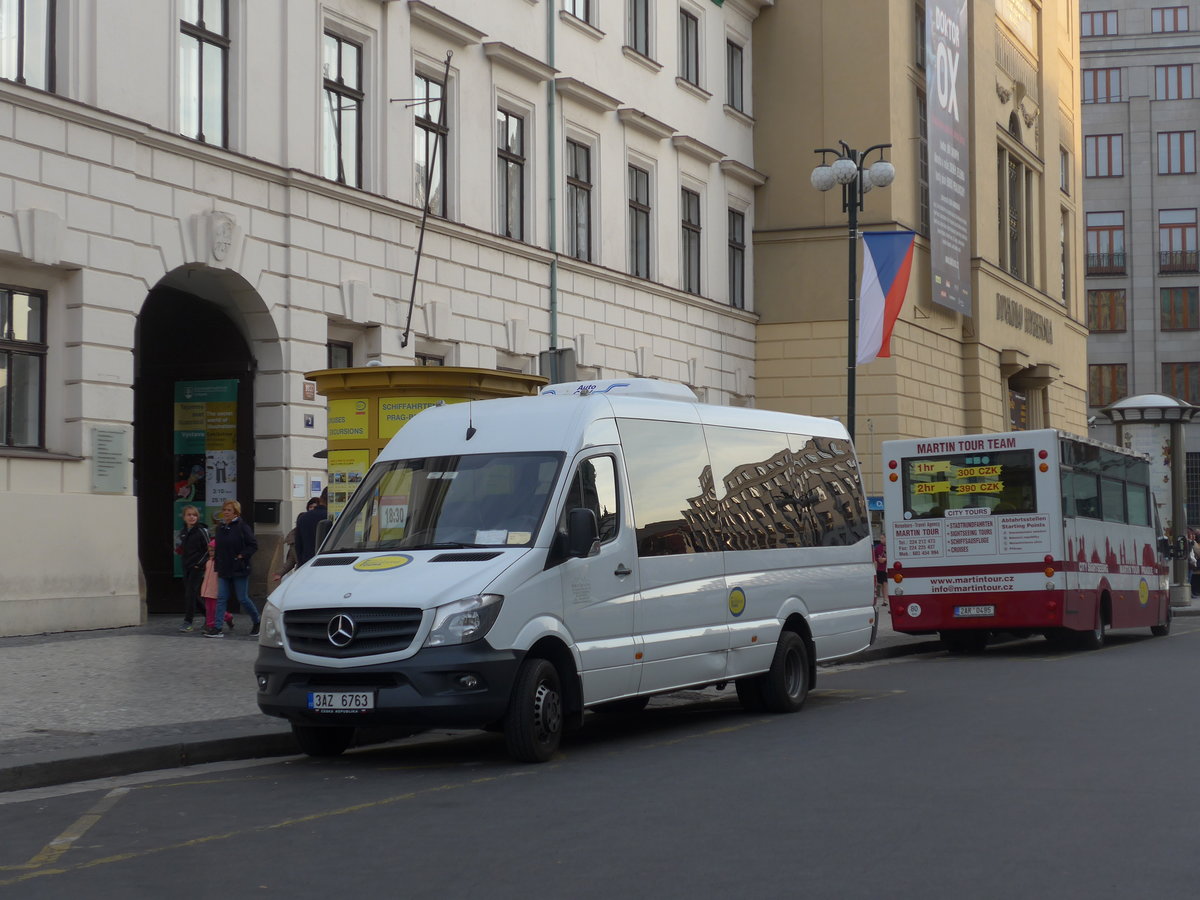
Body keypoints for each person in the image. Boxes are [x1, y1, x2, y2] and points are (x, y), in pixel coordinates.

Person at [205, 499, 261, 637]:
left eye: (229, 510)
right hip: (223, 567)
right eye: (224, 510)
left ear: (235, 512)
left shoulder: (242, 527)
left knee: (242, 598)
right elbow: (218, 546)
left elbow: (253, 545)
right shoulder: (220, 528)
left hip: (239, 567)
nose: (226, 512)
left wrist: (241, 556)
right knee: (221, 597)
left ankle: (257, 621)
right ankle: (217, 627)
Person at [177, 505, 209, 632]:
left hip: (197, 567)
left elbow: (209, 550)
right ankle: (212, 616)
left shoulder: (201, 531)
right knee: (193, 594)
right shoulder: (183, 532)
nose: (192, 517)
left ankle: (188, 621)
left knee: (190, 593)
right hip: (187, 566)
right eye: (189, 515)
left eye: (194, 515)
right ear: (184, 517)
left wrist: (199, 564)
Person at [271, 497, 319, 583]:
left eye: (315, 507)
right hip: (301, 573)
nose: (312, 509)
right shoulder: (295, 534)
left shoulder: (320, 528)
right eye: (310, 507)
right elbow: (291, 559)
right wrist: (280, 573)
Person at [200, 539, 234, 637]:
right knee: (209, 609)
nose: (211, 552)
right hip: (207, 589)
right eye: (210, 550)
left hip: (215, 589)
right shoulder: (208, 562)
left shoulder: (220, 563)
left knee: (215, 608)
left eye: (213, 550)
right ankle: (210, 625)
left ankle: (227, 617)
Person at [294, 489, 329, 566]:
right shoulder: (333, 517)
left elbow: (298, 546)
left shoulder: (303, 518)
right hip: (329, 562)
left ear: (320, 499)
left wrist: (300, 564)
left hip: (308, 562)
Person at [873, 534, 888, 606]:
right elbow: (874, 556)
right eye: (880, 538)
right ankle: (884, 599)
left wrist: (885, 559)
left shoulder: (889, 546)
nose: (881, 539)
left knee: (885, 584)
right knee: (882, 584)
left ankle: (886, 600)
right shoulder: (878, 547)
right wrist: (878, 559)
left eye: (882, 538)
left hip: (886, 568)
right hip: (880, 568)